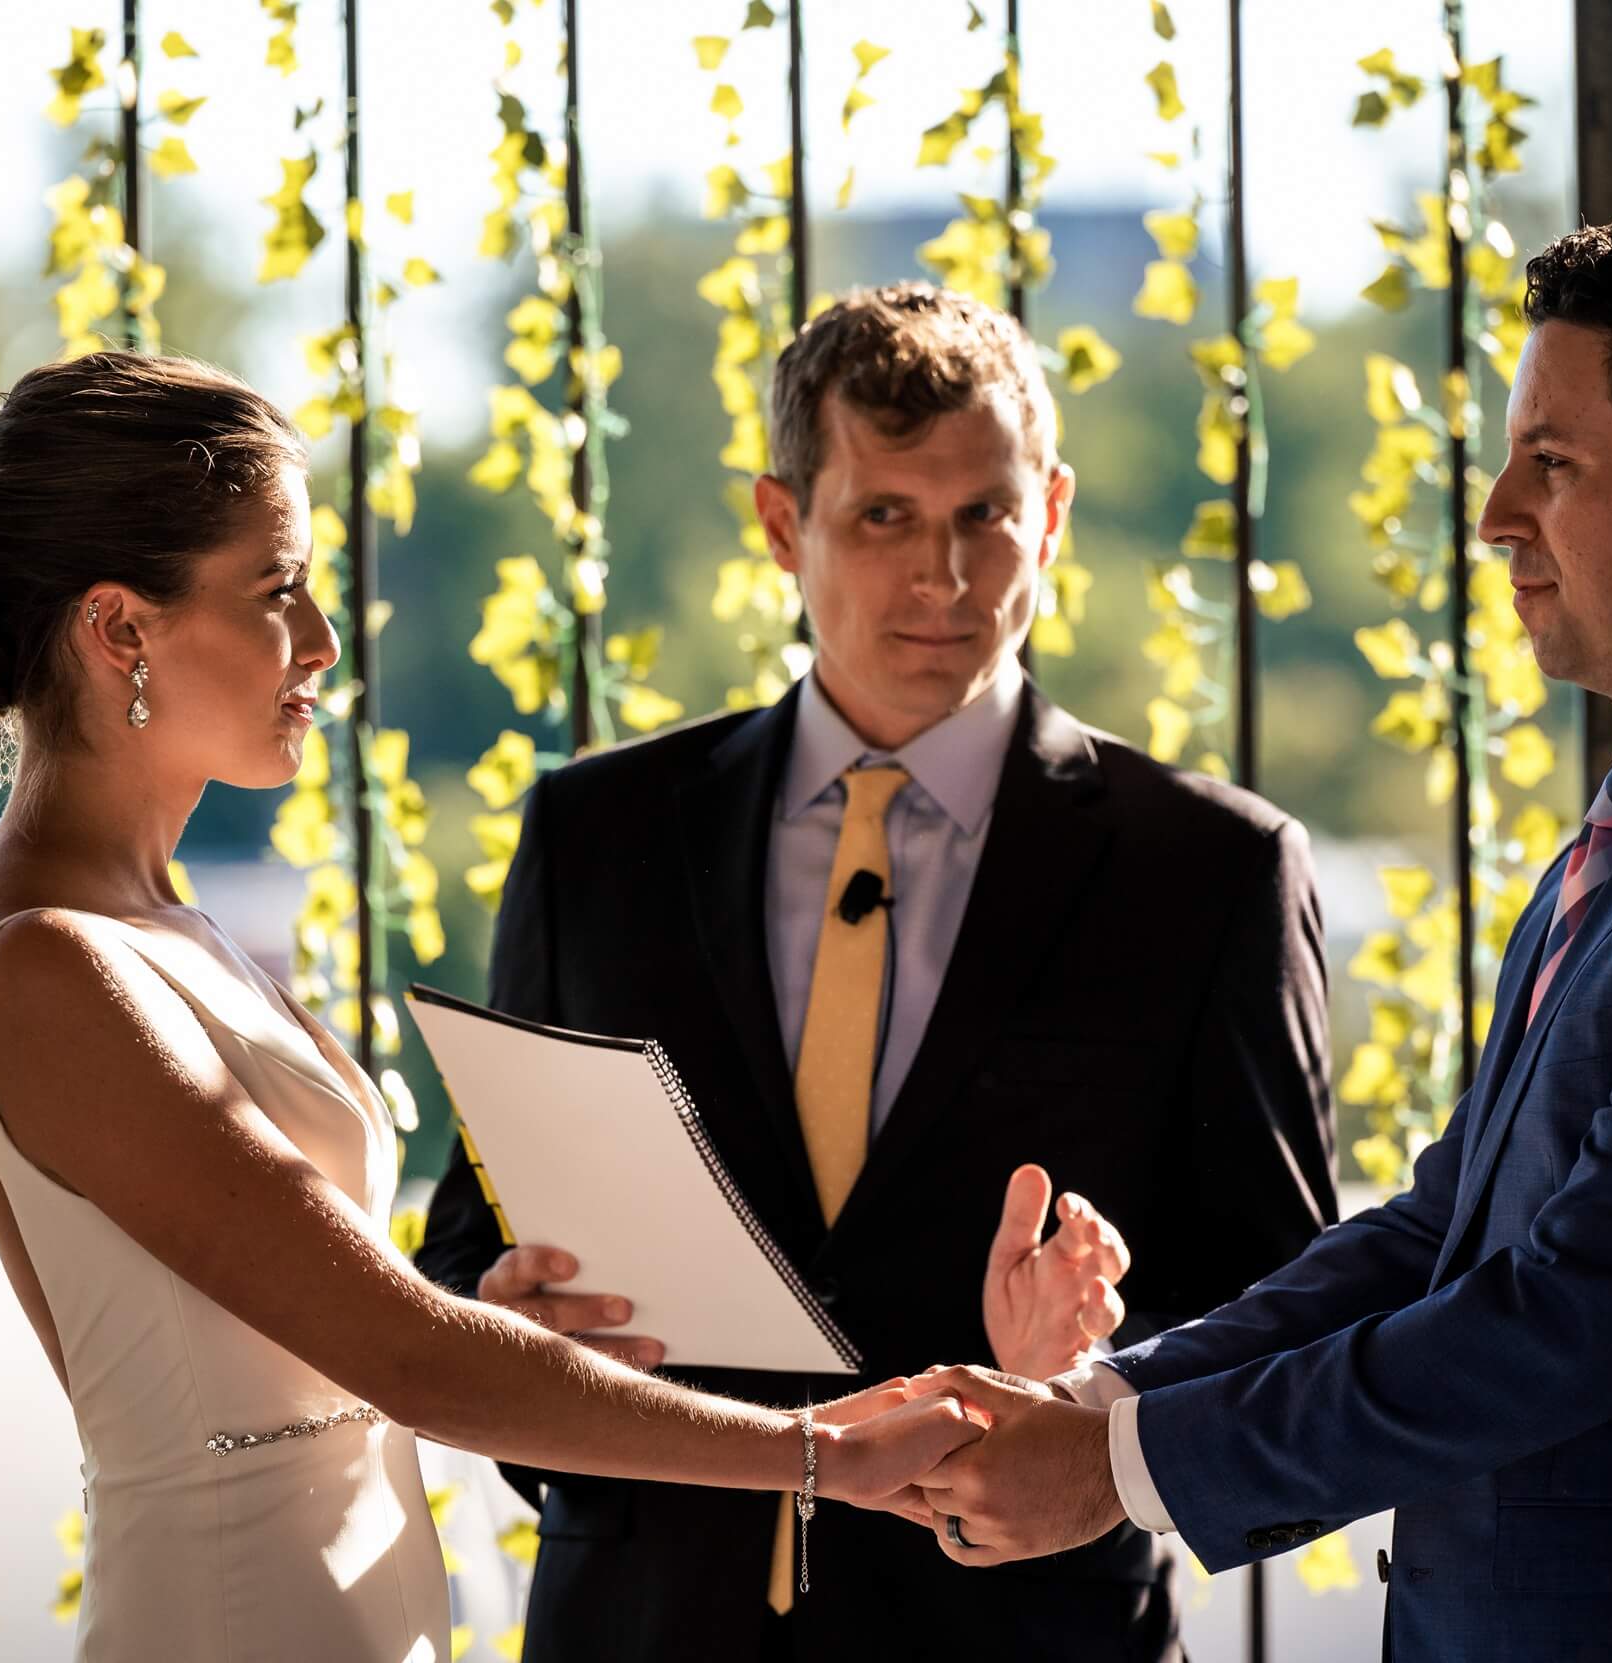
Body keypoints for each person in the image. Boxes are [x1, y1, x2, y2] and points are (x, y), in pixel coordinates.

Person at [895, 219, 1612, 1663]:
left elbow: (1563, 1323)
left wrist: (1119, 1471)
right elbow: (1445, 1242)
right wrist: (1101, 1402)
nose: (1494, 513)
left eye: (1553, 463)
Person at [0, 350, 980, 1663]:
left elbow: (342, 1334)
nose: (324, 641)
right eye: (277, 592)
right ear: (121, 628)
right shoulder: (50, 964)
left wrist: (494, 1318)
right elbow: (410, 1361)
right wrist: (822, 1453)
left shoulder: (167, 928)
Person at [414, 280, 1339, 1662]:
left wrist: (1096, 1371)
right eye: (885, 517)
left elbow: (1292, 1325)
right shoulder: (599, 835)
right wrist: (511, 1318)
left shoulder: (1210, 872)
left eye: (985, 516)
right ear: (783, 524)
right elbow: (473, 1253)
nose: (945, 579)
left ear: (1056, 514)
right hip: (648, 1622)